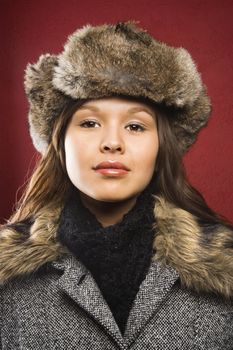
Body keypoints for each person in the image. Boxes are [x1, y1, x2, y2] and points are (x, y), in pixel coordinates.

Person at [0, 21, 233, 349]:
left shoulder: (225, 273)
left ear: (161, 146)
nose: (112, 142)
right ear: (60, 142)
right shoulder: (7, 281)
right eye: (90, 122)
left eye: (136, 126)